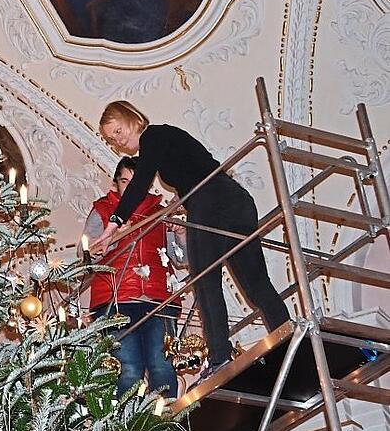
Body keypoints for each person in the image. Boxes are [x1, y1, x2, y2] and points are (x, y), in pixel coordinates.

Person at [91, 101, 291, 378]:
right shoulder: (167, 138)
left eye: (117, 131)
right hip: (236, 200)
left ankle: (219, 357)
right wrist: (182, 200)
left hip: (209, 202)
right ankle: (288, 338)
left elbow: (140, 183)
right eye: (112, 139)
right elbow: (198, 167)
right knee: (256, 282)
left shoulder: (153, 136)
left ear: (132, 118)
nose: (118, 141)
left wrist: (111, 227)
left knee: (206, 280)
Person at [83, 156, 182, 397]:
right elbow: (86, 255)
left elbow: (182, 258)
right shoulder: (103, 210)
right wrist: (114, 238)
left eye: (136, 182)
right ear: (116, 183)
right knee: (128, 369)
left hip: (158, 299)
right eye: (124, 181)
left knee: (162, 366)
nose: (130, 187)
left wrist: (181, 235)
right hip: (114, 299)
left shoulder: (160, 213)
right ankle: (127, 420)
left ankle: (166, 419)